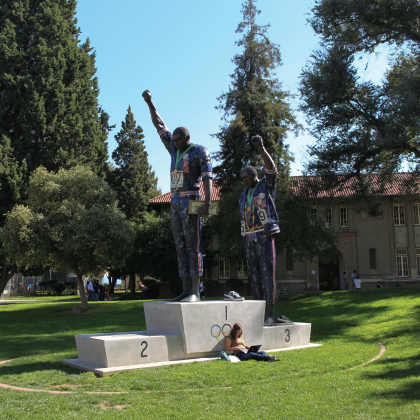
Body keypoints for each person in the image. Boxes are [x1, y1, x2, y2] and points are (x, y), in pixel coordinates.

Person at [143, 90, 213, 302]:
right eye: (173, 140)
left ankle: (195, 291)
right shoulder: (173, 148)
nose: (175, 143)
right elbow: (159, 125)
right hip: (175, 202)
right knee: (179, 245)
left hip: (192, 199)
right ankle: (184, 290)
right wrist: (150, 103)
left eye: (179, 140)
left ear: (187, 139)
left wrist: (208, 202)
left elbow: (208, 178)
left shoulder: (200, 151)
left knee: (194, 245)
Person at [239, 135, 280, 326]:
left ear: (254, 175)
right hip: (249, 237)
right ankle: (258, 313)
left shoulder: (265, 185)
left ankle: (270, 313)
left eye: (246, 178)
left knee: (267, 274)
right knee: (254, 276)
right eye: (242, 179)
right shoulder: (243, 195)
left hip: (264, 235)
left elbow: (272, 170)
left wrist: (262, 149)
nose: (244, 181)